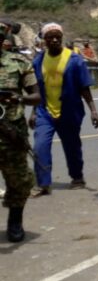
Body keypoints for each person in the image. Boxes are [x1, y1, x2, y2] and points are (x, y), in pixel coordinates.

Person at [30, 23, 98, 196]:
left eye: (58, 37)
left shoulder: (74, 60)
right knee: (40, 146)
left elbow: (84, 87)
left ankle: (77, 177)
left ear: (61, 38)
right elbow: (36, 89)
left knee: (72, 146)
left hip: (69, 111)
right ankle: (43, 183)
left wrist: (93, 110)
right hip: (44, 111)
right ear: (44, 40)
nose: (54, 40)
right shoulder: (38, 60)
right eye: (50, 37)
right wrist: (33, 112)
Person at [0, 37, 41, 242]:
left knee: (19, 180)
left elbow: (36, 97)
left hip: (11, 132)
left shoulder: (20, 63)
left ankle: (15, 221)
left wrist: (16, 98)